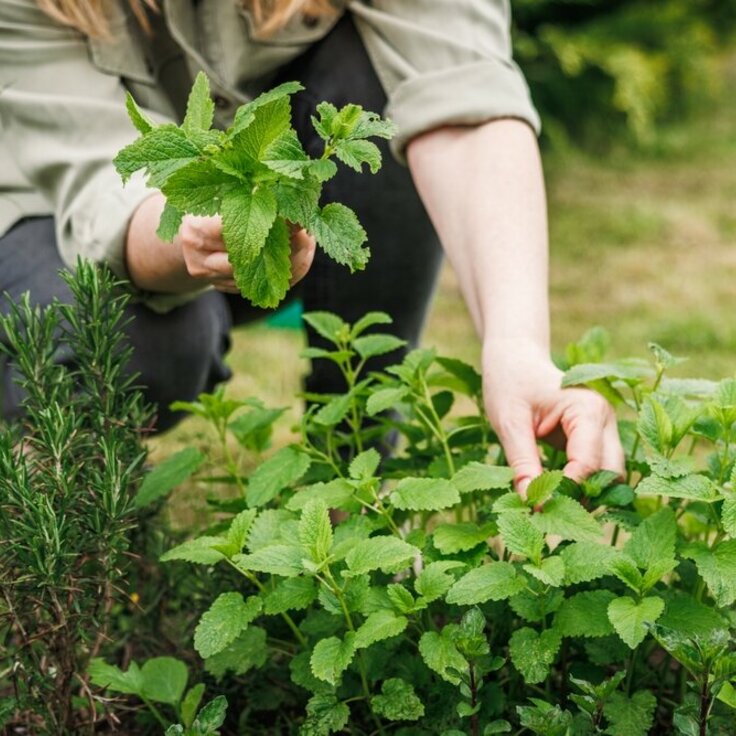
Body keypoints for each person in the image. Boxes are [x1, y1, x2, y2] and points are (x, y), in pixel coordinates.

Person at [0, 0, 624, 493]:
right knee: (131, 350)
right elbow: (102, 179)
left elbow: (460, 92)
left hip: (272, 218)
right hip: (45, 207)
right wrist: (200, 227)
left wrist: (518, 349)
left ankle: (360, 468)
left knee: (378, 85)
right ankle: (53, 493)